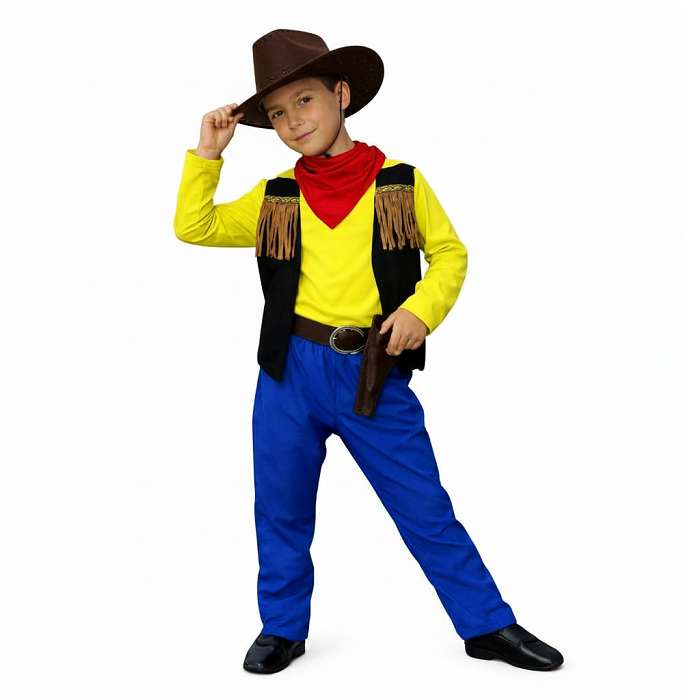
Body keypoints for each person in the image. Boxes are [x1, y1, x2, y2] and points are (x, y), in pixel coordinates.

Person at [174, 28, 563, 675]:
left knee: (424, 506)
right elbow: (196, 226)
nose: (293, 122)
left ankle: (486, 624)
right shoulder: (277, 197)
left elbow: (450, 255)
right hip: (289, 372)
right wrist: (207, 155)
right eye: (278, 113)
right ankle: (282, 627)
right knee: (281, 505)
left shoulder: (398, 186)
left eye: (304, 101)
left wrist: (420, 311)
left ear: (342, 95)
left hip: (371, 372)